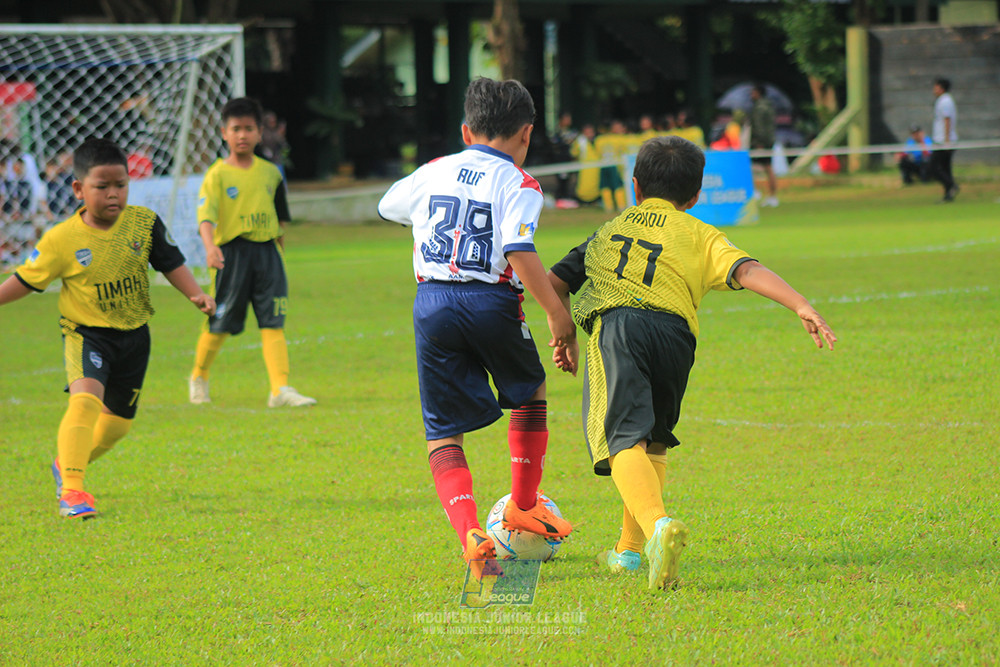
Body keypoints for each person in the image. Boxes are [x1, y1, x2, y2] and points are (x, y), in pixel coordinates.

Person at [547, 136, 837, 590]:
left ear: (635, 185)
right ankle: (628, 552)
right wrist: (799, 303)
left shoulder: (609, 229)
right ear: (696, 195)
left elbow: (554, 281)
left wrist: (561, 330)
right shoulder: (700, 231)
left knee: (622, 438)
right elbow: (745, 269)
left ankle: (658, 527)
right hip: (676, 335)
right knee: (653, 441)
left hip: (619, 327)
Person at [377, 77, 576, 576]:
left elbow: (387, 206)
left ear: (466, 131)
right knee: (529, 392)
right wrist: (557, 313)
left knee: (443, 431)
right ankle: (523, 505)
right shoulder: (520, 183)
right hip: (491, 299)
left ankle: (470, 532)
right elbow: (518, 248)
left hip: (432, 302)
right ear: (527, 135)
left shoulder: (432, 170)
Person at [0, 137, 216, 519]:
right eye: (102, 187)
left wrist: (196, 294)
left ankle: (65, 462)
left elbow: (170, 262)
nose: (113, 194)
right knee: (85, 401)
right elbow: (26, 279)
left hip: (135, 336)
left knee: (116, 429)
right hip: (86, 334)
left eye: (121, 185)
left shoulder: (143, 222)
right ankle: (73, 491)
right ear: (79, 189)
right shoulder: (62, 239)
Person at [189, 97, 316, 408]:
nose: (242, 135)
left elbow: (280, 217)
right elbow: (205, 217)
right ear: (224, 132)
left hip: (267, 254)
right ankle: (199, 376)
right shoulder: (217, 174)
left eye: (248, 129)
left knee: (273, 320)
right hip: (231, 255)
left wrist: (280, 252)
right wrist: (210, 247)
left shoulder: (271, 173)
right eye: (236, 129)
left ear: (260, 132)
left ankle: (280, 390)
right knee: (219, 322)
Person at [748, 84, 779, 207]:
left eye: (753, 92)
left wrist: (759, 142)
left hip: (761, 143)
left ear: (758, 93)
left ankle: (758, 192)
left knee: (761, 166)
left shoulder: (760, 107)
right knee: (767, 167)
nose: (751, 95)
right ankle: (771, 195)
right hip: (768, 141)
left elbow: (760, 127)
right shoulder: (769, 105)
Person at [930, 78, 959, 202]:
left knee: (933, 168)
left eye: (935, 87)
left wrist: (946, 141)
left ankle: (951, 186)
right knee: (946, 168)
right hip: (942, 140)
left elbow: (947, 120)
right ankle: (948, 195)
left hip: (943, 141)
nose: (933, 90)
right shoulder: (943, 100)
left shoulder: (945, 101)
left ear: (941, 88)